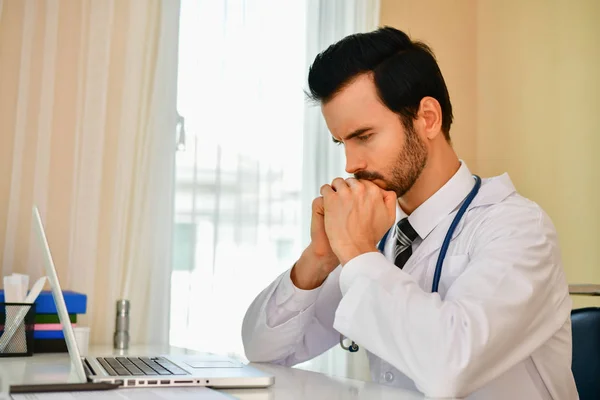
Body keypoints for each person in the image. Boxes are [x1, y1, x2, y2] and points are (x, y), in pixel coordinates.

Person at [241, 26, 577, 399]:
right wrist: (319, 258)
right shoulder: (381, 239)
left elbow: (451, 367)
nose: (351, 163)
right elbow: (263, 350)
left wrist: (357, 252)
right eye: (342, 142)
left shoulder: (519, 229)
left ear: (428, 118)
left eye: (364, 136)